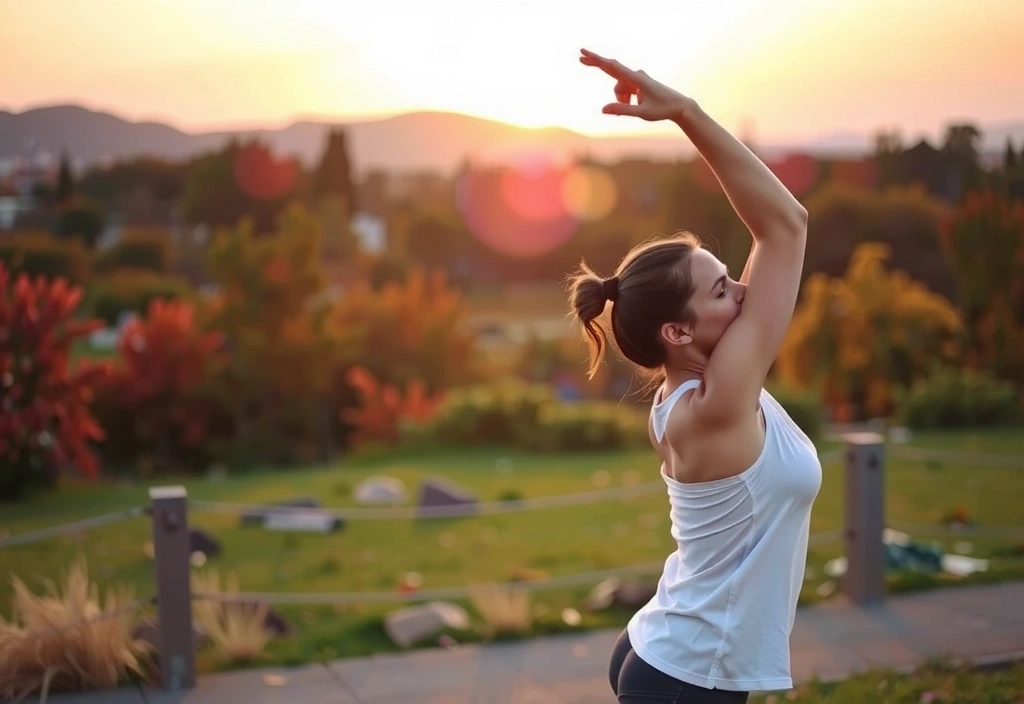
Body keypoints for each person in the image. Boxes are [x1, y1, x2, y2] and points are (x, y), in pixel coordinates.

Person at [568, 49, 823, 703]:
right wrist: (685, 112)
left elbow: (778, 234)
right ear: (677, 333)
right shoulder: (716, 406)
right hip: (691, 676)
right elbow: (786, 226)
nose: (742, 290)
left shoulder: (680, 401)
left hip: (668, 650)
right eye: (720, 290)